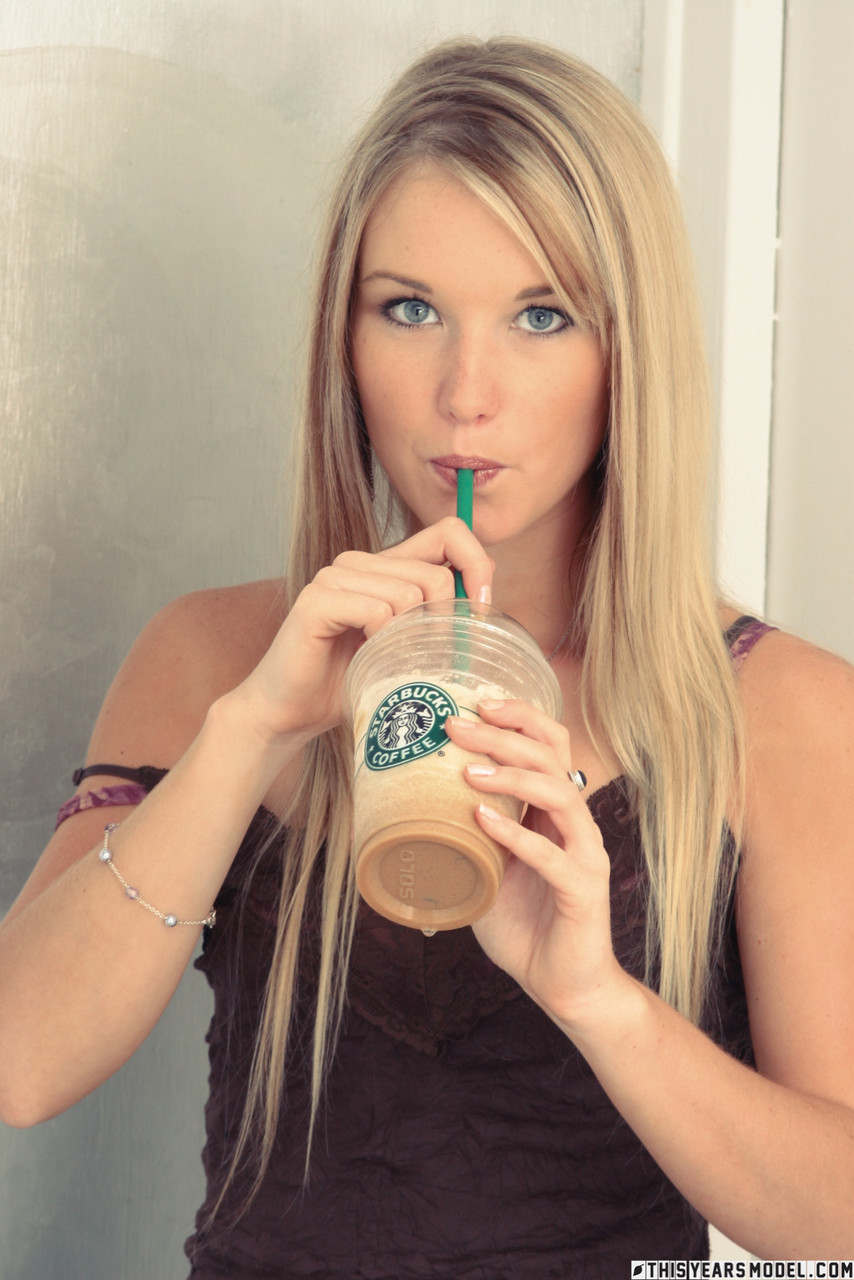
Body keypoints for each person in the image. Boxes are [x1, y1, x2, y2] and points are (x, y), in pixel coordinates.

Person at [1, 34, 853, 1277]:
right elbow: (21, 1061)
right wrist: (251, 732)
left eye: (540, 315)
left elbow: (837, 1213)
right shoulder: (212, 656)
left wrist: (597, 998)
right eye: (409, 309)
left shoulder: (784, 711)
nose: (465, 391)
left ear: (628, 351)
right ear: (341, 340)